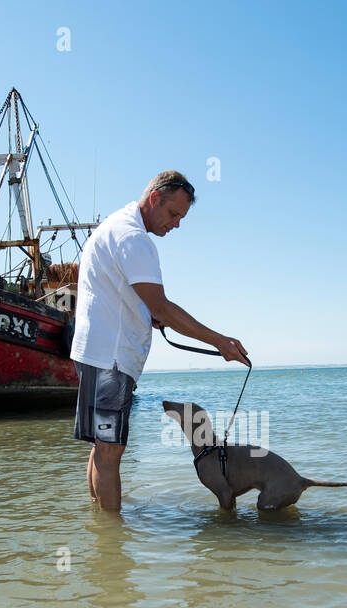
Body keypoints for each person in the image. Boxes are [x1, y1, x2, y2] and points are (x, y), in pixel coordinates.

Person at [70, 170, 250, 512]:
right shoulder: (135, 239)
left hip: (92, 352)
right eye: (173, 214)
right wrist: (219, 341)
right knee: (110, 452)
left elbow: (121, 293)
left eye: (181, 217)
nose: (176, 224)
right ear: (155, 198)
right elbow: (163, 307)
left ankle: (99, 532)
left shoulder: (114, 225)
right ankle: (113, 547)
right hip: (112, 361)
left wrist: (144, 314)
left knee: (100, 447)